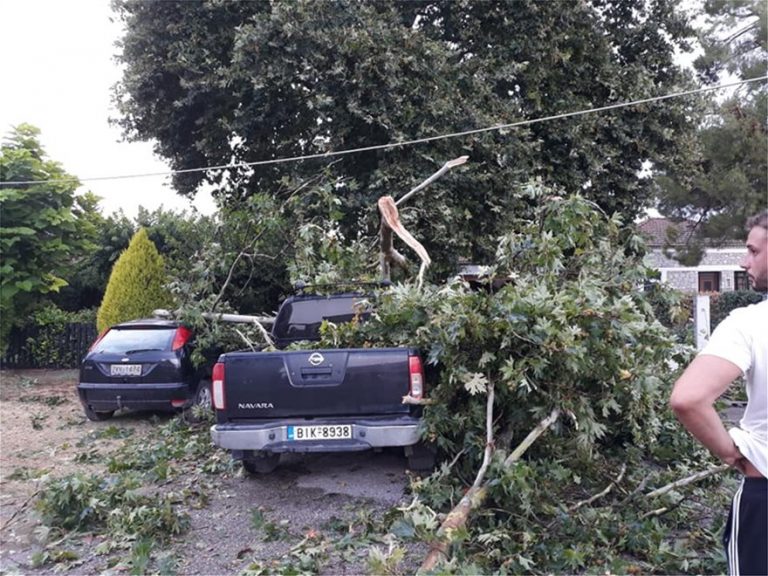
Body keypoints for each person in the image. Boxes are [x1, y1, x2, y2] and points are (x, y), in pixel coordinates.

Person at [670, 210, 767, 576]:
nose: (745, 262)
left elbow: (688, 398)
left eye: (754, 251)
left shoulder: (751, 323)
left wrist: (731, 454)